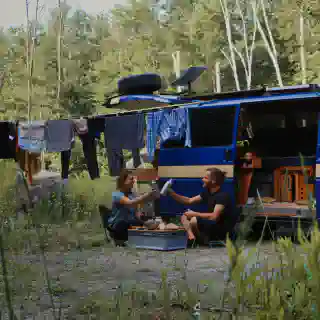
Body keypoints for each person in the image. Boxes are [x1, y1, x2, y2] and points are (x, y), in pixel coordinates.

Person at [167, 167, 233, 244]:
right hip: (210, 224)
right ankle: (192, 236)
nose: (202, 179)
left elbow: (214, 216)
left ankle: (201, 240)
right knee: (184, 215)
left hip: (220, 228)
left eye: (205, 178)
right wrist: (172, 193)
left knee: (194, 220)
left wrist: (195, 214)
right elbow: (189, 200)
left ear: (213, 181)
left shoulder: (222, 196)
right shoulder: (207, 193)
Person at [108, 169, 159, 245]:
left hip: (130, 224)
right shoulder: (117, 195)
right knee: (122, 224)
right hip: (118, 225)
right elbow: (130, 203)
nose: (133, 181)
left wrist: (145, 223)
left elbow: (136, 214)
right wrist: (147, 195)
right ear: (123, 181)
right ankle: (119, 239)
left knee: (147, 222)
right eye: (131, 179)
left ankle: (136, 237)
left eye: (134, 179)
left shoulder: (132, 195)